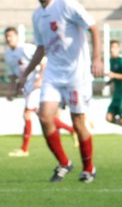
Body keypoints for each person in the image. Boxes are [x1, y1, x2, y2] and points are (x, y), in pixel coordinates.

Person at [18, 0, 102, 182]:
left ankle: (88, 168)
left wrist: (97, 59)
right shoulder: (37, 15)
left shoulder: (66, 5)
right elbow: (41, 48)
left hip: (77, 74)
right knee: (44, 116)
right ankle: (64, 163)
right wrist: (25, 73)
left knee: (78, 122)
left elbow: (92, 28)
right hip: (54, 74)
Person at [5, 26, 76, 157]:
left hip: (37, 86)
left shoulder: (26, 48)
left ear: (17, 36)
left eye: (11, 36)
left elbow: (44, 61)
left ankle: (24, 149)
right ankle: (72, 130)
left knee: (27, 115)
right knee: (44, 117)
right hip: (27, 88)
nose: (8, 39)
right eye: (6, 36)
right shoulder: (8, 54)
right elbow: (12, 75)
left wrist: (40, 79)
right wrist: (11, 90)